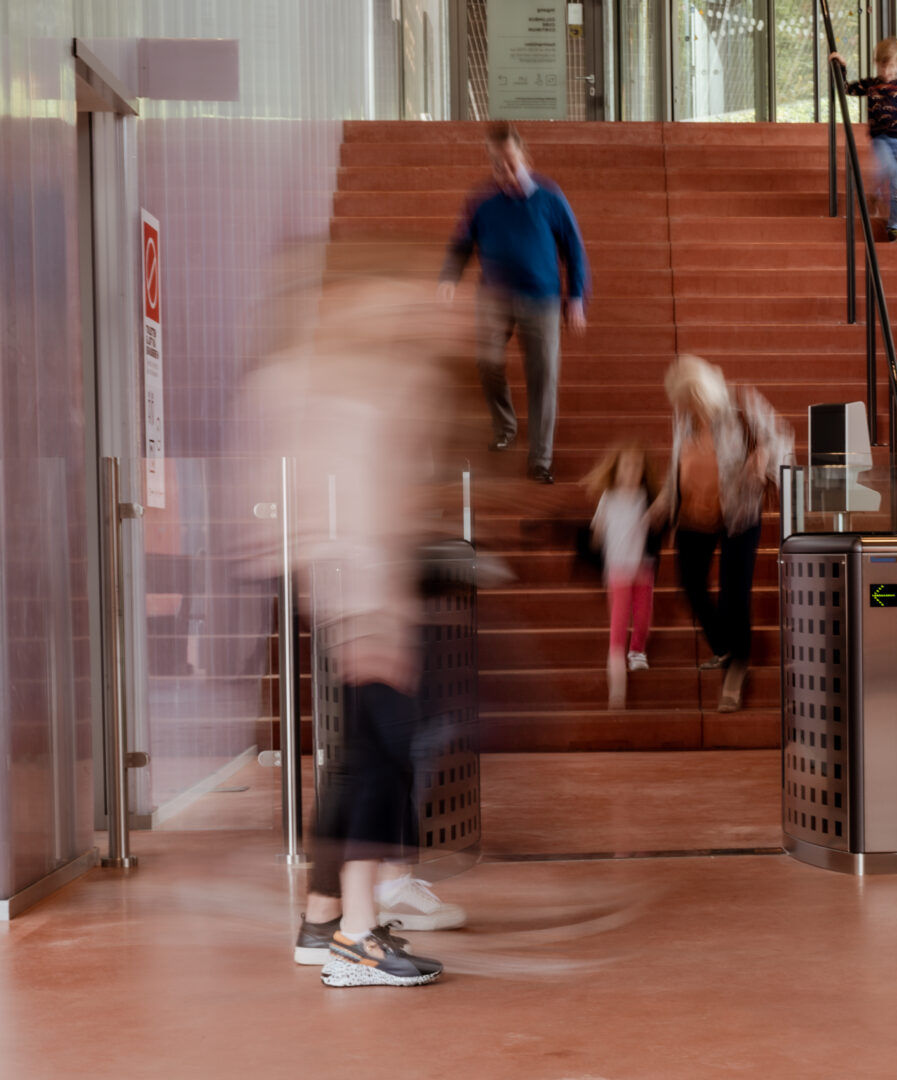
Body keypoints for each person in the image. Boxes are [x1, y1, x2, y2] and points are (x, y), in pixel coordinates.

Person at [244, 267, 464, 988]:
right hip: (364, 599)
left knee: (363, 760)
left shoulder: (325, 387)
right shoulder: (342, 393)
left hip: (354, 597)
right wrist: (378, 615)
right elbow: (354, 509)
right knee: (377, 761)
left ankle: (324, 920)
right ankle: (357, 938)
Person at [440, 122, 591, 485]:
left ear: (524, 156)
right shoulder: (481, 200)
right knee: (486, 361)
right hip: (494, 297)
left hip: (542, 300)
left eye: (509, 161)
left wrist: (577, 298)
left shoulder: (550, 197)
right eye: (496, 163)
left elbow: (574, 248)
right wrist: (449, 277)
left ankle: (541, 459)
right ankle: (505, 425)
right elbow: (461, 243)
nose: (504, 171)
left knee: (544, 377)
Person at [651, 355, 792, 713]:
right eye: (682, 403)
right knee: (690, 586)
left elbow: (782, 438)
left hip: (738, 513)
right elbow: (676, 463)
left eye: (692, 401)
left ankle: (736, 668)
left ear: (705, 393)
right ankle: (728, 648)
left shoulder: (741, 404)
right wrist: (665, 500)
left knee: (734, 596)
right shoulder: (682, 416)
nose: (686, 409)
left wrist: (762, 457)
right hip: (692, 513)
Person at [830, 38, 897, 244]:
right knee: (889, 170)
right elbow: (846, 88)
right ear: (877, 64)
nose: (887, 70)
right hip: (881, 140)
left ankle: (895, 228)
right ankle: (876, 191)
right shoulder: (871, 85)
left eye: (892, 65)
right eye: (883, 65)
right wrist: (842, 66)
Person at [583, 442, 657, 709]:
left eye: (637, 467)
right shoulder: (609, 497)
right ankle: (617, 692)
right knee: (617, 629)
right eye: (627, 466)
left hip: (642, 569)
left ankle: (637, 649)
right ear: (616, 470)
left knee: (643, 619)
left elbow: (655, 519)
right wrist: (594, 543)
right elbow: (598, 529)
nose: (632, 471)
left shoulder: (644, 496)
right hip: (617, 573)